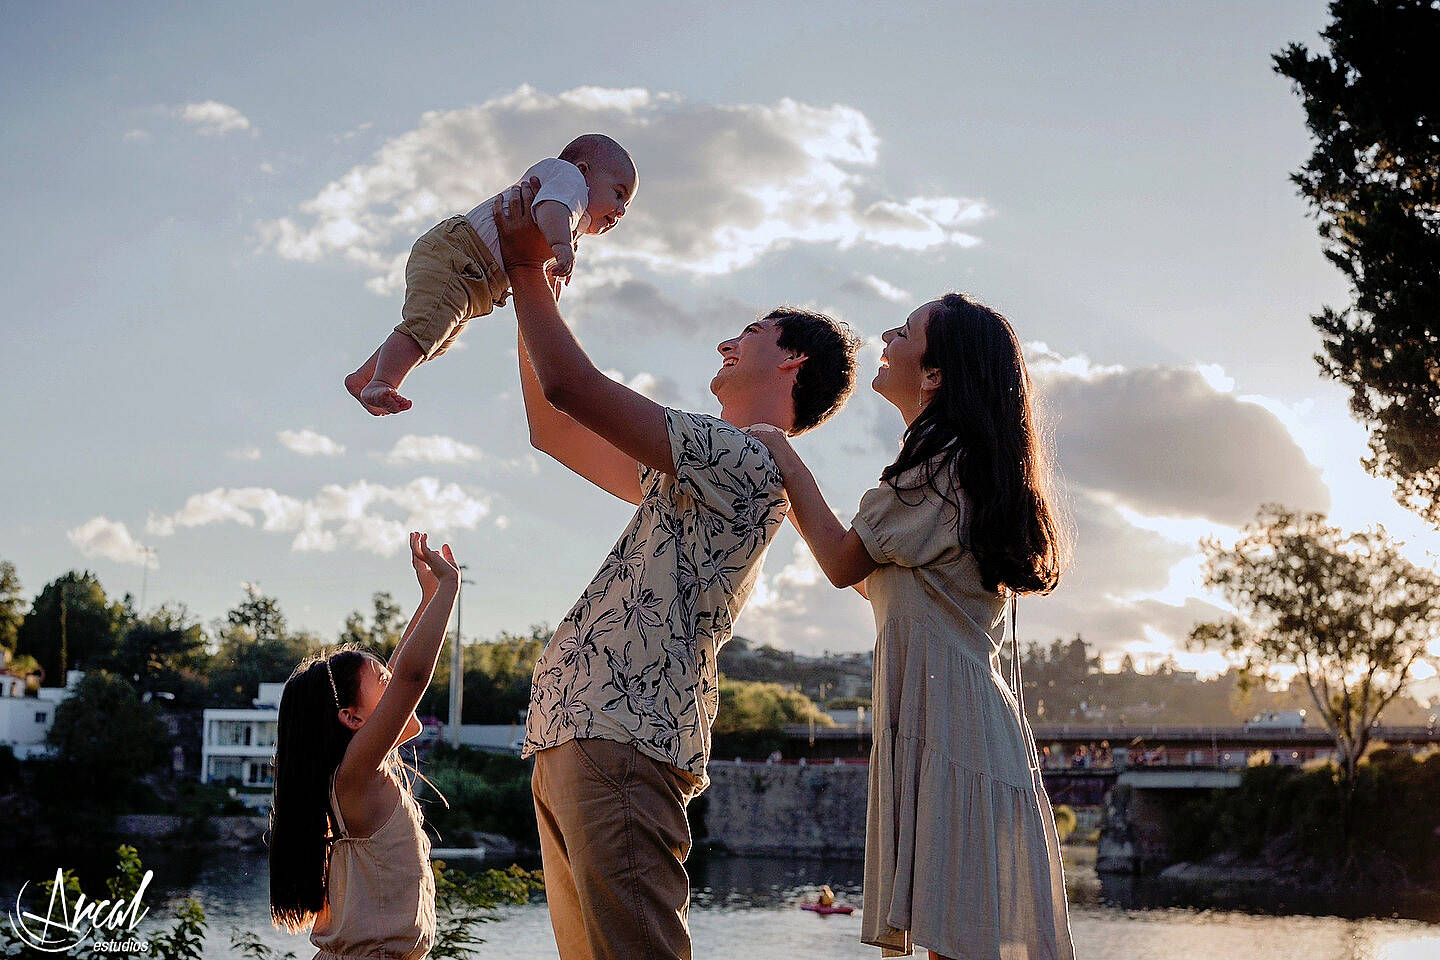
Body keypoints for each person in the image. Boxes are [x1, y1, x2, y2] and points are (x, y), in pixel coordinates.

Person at [491, 178, 862, 960]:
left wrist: (526, 272)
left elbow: (572, 387)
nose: (727, 344)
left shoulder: (749, 460)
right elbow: (554, 426)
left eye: (750, 333)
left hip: (622, 737)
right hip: (577, 732)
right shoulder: (694, 468)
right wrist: (534, 290)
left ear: (792, 358)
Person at [747, 294, 1075, 960]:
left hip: (951, 731)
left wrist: (785, 457)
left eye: (905, 332)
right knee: (954, 946)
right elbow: (882, 582)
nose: (887, 338)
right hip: (964, 729)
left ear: (934, 376)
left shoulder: (939, 473)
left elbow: (844, 562)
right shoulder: (959, 471)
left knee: (953, 945)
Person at [267, 532, 460, 960]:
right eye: (383, 686)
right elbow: (409, 677)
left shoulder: (354, 772)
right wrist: (449, 588)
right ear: (352, 719)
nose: (393, 690)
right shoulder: (355, 776)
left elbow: (398, 677)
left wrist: (427, 598)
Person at [345, 134, 637, 415]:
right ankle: (383, 381)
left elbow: (536, 252)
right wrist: (562, 246)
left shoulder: (570, 220)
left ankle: (365, 377)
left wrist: (553, 268)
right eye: (619, 193)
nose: (621, 210)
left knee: (434, 336)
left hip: (475, 278)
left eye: (627, 204)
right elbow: (551, 209)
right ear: (584, 170)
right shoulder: (568, 179)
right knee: (428, 327)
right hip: (459, 255)